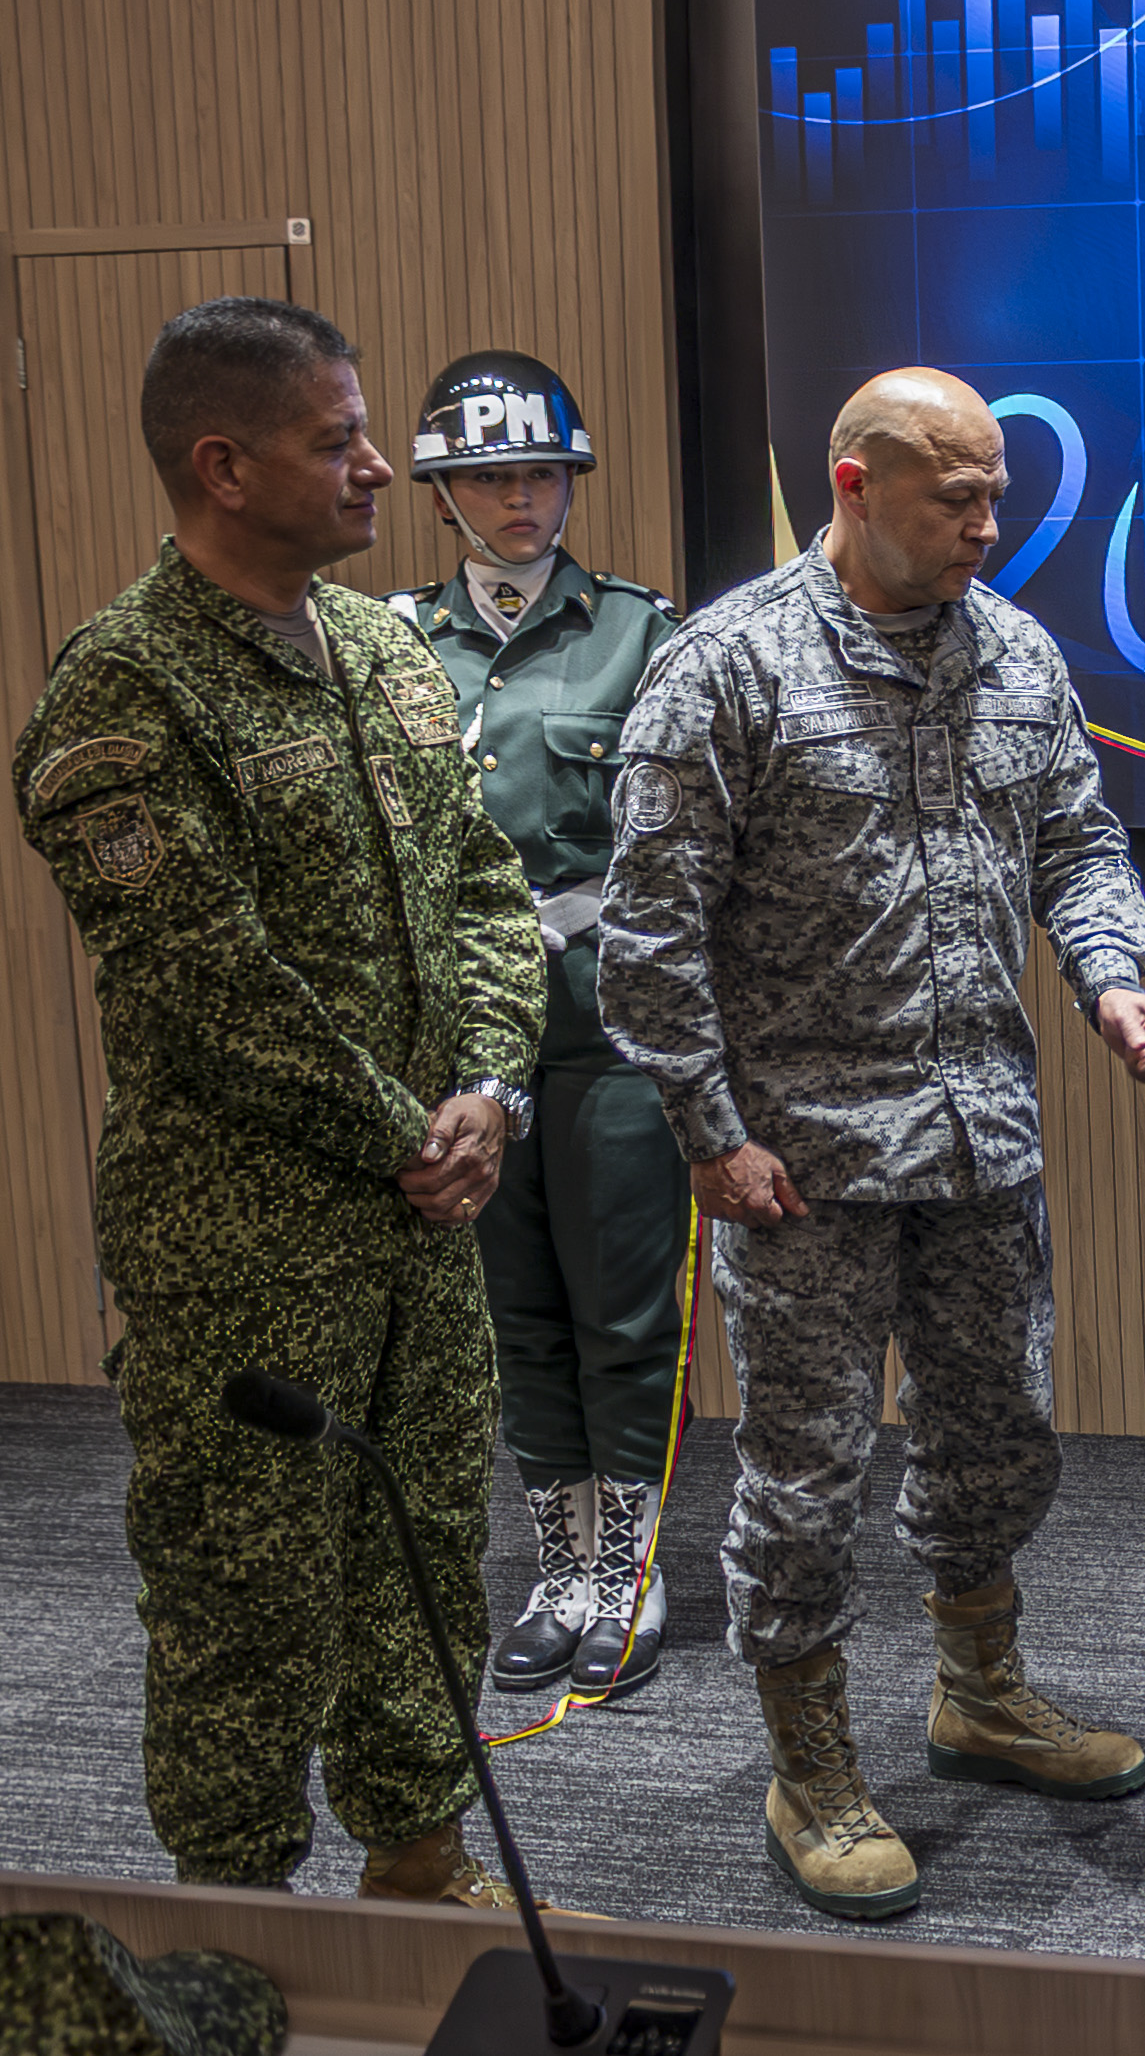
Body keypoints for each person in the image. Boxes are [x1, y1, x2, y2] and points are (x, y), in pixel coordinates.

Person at [599, 365, 1145, 1921]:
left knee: (1000, 1431)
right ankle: (811, 1764)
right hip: (802, 1166)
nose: (991, 522)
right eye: (959, 495)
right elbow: (647, 935)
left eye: (998, 490)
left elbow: (1077, 837)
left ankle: (980, 1695)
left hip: (980, 1133)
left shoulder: (1018, 657)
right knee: (806, 1476)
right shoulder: (728, 667)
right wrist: (712, 1138)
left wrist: (1116, 975)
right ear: (855, 485)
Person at [10, 298, 549, 1907]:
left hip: (418, 1220)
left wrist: (490, 1086)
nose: (384, 466)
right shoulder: (125, 695)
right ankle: (238, 1933)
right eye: (341, 441)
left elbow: (486, 885)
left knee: (425, 1554)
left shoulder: (384, 647)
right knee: (245, 1589)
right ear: (223, 465)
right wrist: (411, 1130)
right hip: (243, 1249)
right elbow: (212, 987)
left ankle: (419, 1868)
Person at [392, 350, 688, 1702]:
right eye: (491, 475)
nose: (523, 497)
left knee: (622, 1301)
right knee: (512, 1307)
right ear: (445, 490)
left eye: (544, 471)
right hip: (460, 1024)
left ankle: (627, 1566)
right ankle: (556, 1564)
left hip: (609, 1016)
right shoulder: (392, 642)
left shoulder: (643, 631)